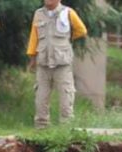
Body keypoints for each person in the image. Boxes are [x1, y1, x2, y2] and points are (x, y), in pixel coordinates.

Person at [26, 0, 87, 129]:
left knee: (66, 96)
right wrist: (32, 57)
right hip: (43, 62)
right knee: (41, 97)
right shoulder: (38, 14)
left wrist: (66, 39)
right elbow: (34, 36)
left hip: (62, 63)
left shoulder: (68, 12)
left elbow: (81, 30)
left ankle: (66, 129)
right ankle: (41, 128)